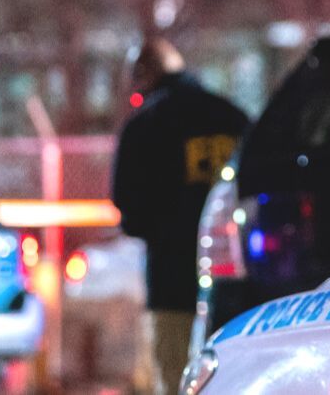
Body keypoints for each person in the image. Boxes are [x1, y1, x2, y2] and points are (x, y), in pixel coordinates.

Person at [111, 38, 250, 394]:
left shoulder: (145, 125)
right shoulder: (232, 117)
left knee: (175, 379)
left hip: (171, 284)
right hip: (237, 286)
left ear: (142, 78)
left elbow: (129, 209)